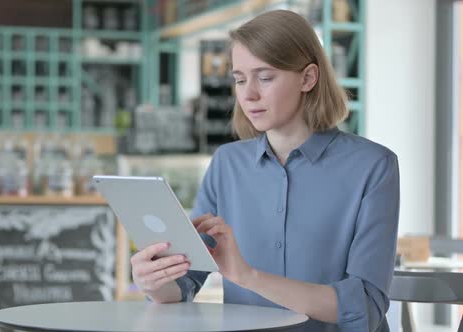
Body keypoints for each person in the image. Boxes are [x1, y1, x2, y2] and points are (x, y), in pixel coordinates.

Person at [130, 9, 399, 332]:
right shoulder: (227, 163)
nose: (248, 94)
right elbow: (187, 283)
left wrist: (248, 277)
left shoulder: (373, 166)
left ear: (308, 78)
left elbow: (365, 306)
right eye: (240, 79)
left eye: (265, 77)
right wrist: (154, 281)